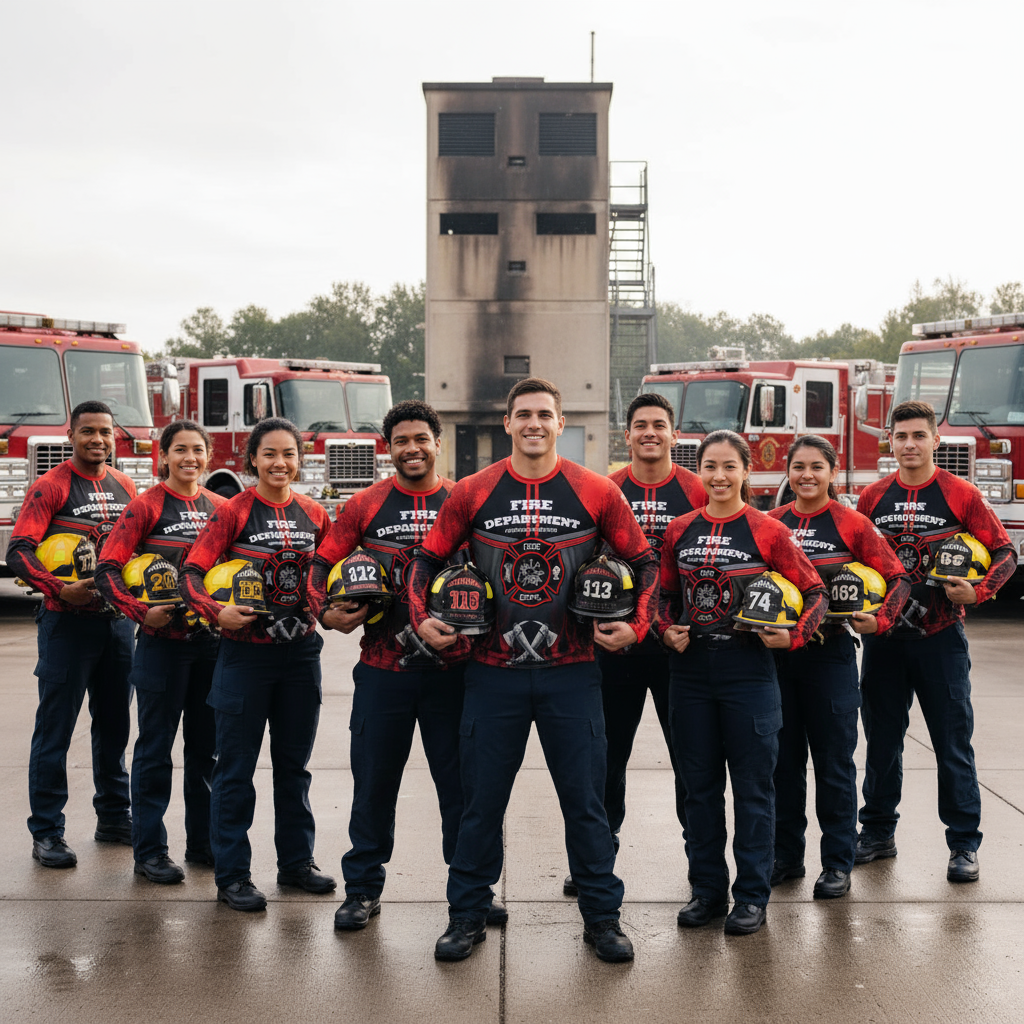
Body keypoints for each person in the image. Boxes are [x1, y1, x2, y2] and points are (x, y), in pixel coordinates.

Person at [409, 378, 658, 964]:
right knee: (481, 802)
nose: (534, 424)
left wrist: (638, 627)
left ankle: (601, 918)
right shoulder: (472, 491)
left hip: (572, 671)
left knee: (586, 803)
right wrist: (422, 620)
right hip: (491, 672)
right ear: (507, 422)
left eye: (545, 414)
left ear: (561, 420)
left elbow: (645, 565)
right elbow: (424, 560)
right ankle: (466, 915)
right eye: (523, 414)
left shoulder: (596, 491)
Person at [307, 400, 505, 932]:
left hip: (455, 673)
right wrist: (324, 612)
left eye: (421, 438)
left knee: (464, 789)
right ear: (388, 448)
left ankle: (474, 892)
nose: (412, 448)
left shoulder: (468, 501)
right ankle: (363, 889)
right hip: (382, 671)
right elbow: (321, 562)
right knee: (374, 784)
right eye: (401, 441)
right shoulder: (366, 504)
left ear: (438, 443)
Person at [659, 429, 826, 936]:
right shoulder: (679, 529)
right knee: (699, 790)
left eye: (729, 466)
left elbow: (814, 592)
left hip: (748, 674)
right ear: (700, 472)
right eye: (710, 466)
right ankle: (706, 891)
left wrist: (792, 637)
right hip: (690, 676)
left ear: (746, 472)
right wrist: (665, 629)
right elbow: (662, 595)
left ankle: (751, 897)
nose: (719, 476)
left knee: (754, 790)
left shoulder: (767, 531)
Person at [854, 400, 1017, 882]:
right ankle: (879, 831)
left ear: (935, 440)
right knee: (882, 742)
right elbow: (854, 560)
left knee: (952, 743)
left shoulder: (960, 494)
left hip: (940, 639)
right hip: (884, 640)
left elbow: (1004, 550)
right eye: (901, 436)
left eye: (918, 435)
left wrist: (981, 590)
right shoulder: (871, 498)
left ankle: (964, 843)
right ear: (890, 440)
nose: (909, 444)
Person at [180, 417, 335, 911]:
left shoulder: (316, 513)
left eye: (288, 454)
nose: (279, 463)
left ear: (299, 460)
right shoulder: (233, 512)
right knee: (235, 770)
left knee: (294, 767)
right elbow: (191, 573)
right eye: (269, 454)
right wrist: (214, 612)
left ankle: (295, 865)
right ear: (252, 461)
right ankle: (233, 877)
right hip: (245, 658)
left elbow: (335, 573)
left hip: (301, 656)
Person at [562, 392, 705, 897]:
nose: (650, 433)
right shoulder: (604, 488)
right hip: (614, 645)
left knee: (692, 760)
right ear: (627, 434)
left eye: (659, 425)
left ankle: (702, 862)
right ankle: (596, 862)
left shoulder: (700, 488)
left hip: (680, 646)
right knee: (605, 759)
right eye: (640, 425)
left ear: (674, 433)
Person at [767, 435, 909, 899]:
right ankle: (786, 857)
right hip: (778, 660)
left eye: (817, 467)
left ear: (833, 471)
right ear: (788, 472)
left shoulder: (853, 524)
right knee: (783, 764)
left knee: (833, 764)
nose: (807, 475)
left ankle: (837, 863)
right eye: (799, 467)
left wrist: (880, 620)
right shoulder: (770, 523)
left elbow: (898, 579)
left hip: (830, 658)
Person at [8, 400, 137, 868]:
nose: (98, 440)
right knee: (55, 730)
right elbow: (19, 552)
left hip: (117, 625)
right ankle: (47, 831)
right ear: (71, 435)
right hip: (67, 625)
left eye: (105, 432)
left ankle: (114, 818)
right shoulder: (52, 485)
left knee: (114, 726)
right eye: (88, 432)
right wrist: (60, 589)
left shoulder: (124, 484)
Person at [94, 421, 225, 883]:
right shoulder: (145, 506)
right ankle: (150, 851)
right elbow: (107, 570)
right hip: (161, 649)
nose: (190, 458)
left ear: (208, 457)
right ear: (164, 456)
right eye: (180, 450)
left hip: (211, 647)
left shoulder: (222, 508)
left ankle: (204, 844)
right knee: (154, 749)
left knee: (207, 750)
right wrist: (137, 613)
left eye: (198, 450)